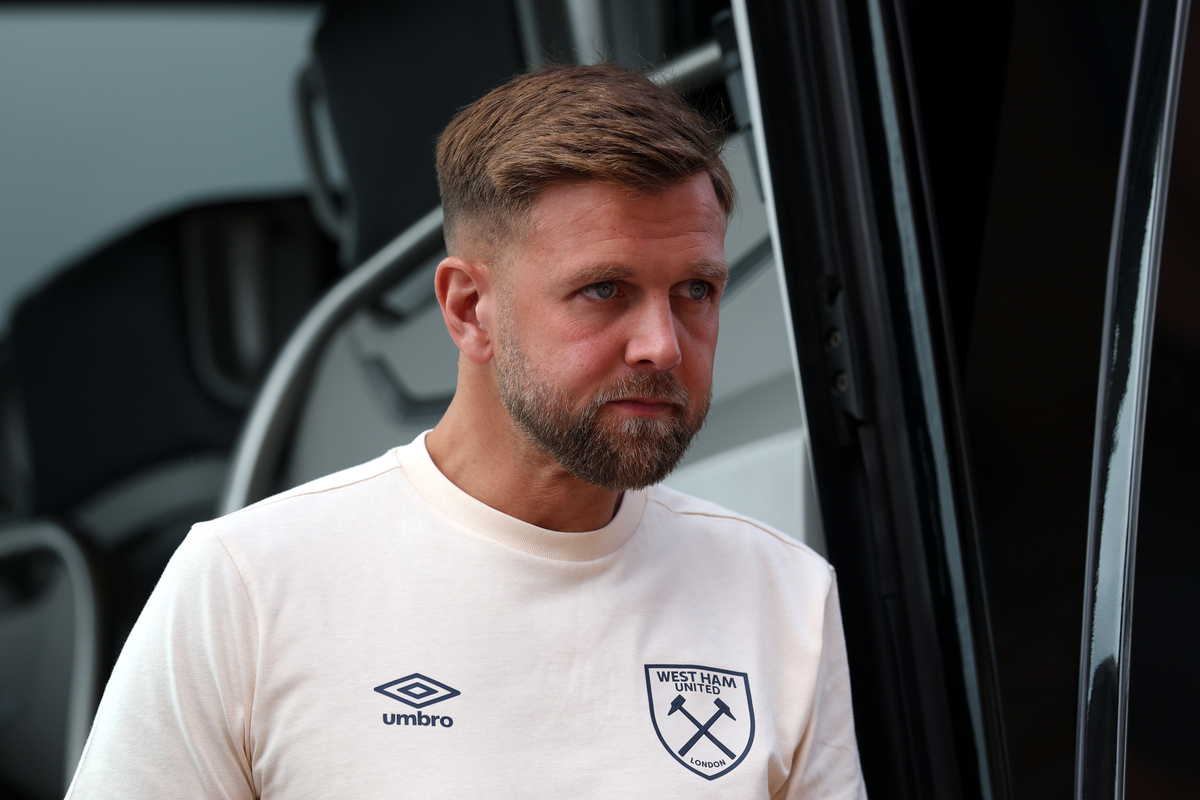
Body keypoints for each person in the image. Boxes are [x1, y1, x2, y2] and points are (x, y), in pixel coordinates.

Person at [66, 63, 867, 798]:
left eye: (696, 288)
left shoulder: (784, 595)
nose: (662, 342)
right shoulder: (248, 585)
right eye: (603, 289)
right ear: (467, 309)